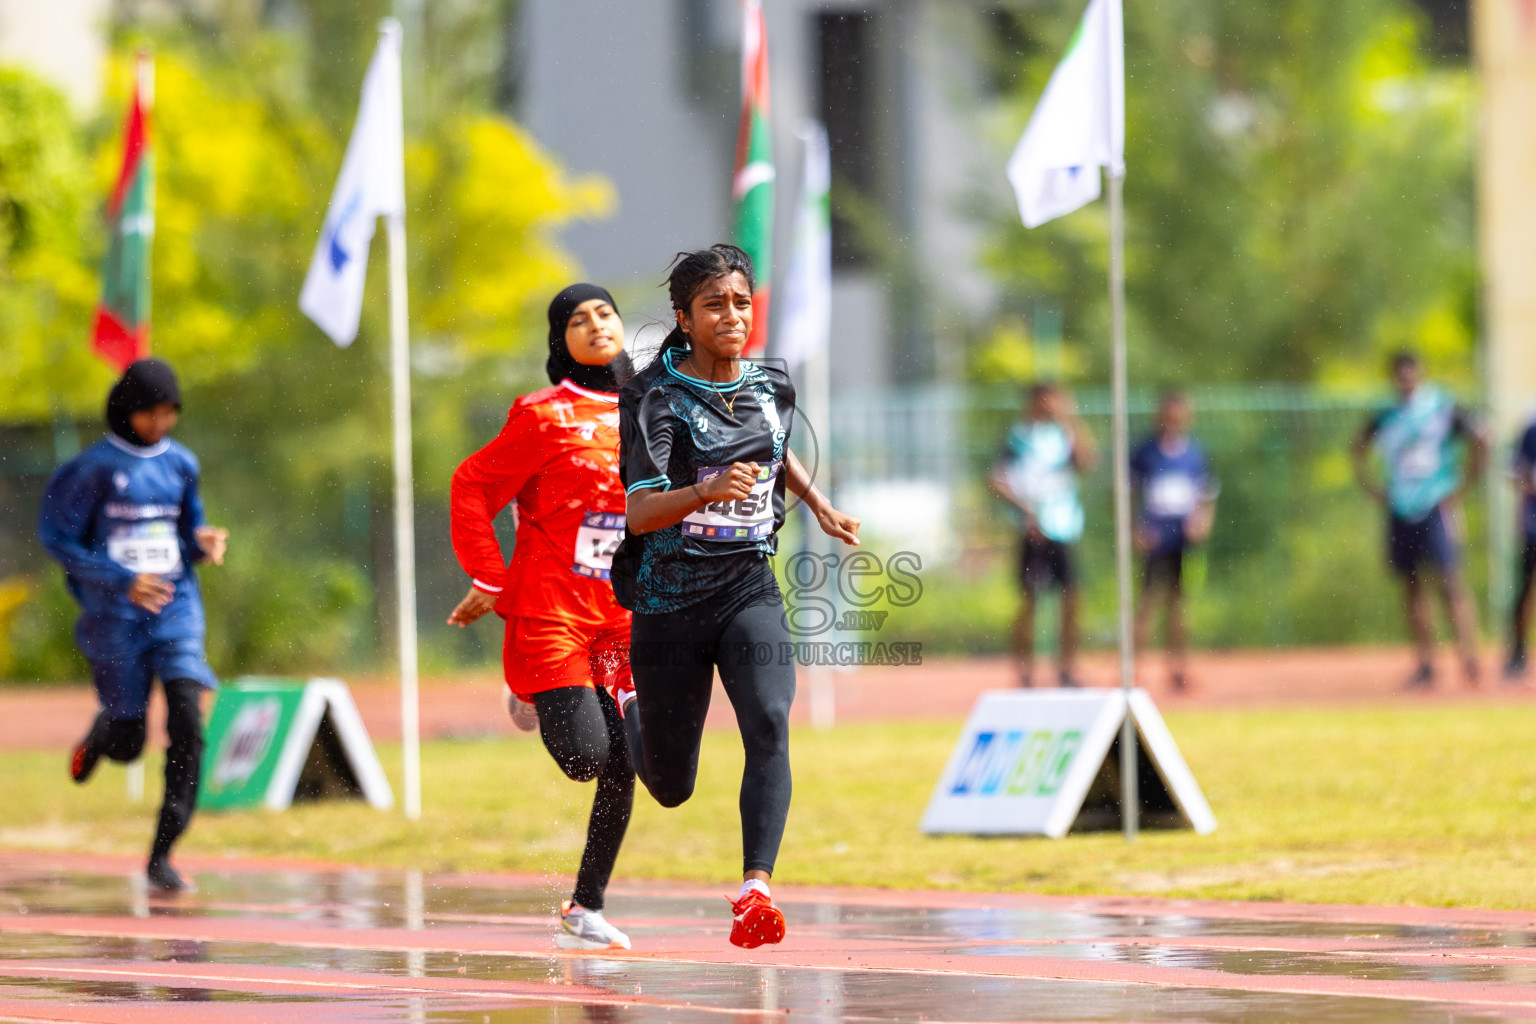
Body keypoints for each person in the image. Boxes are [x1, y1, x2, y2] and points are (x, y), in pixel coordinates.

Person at [613, 244, 860, 949]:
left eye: (741, 302)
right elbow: (640, 513)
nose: (732, 316)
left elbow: (777, 453)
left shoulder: (769, 384)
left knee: (771, 721)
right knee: (670, 785)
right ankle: (629, 702)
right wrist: (703, 490)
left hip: (748, 586)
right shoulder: (656, 399)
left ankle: (756, 888)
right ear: (685, 319)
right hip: (668, 603)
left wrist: (818, 504)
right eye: (715, 305)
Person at [447, 283, 638, 951]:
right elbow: (472, 484)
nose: (594, 324)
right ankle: (533, 685)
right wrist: (488, 576)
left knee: (630, 757)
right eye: (577, 320)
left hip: (624, 617)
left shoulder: (658, 411)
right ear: (562, 341)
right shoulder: (543, 416)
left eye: (604, 313)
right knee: (589, 758)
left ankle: (585, 906)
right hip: (553, 611)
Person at [38, 359, 229, 893]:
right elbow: (59, 540)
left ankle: (162, 854)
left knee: (189, 721)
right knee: (128, 742)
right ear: (127, 409)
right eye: (151, 413)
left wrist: (203, 544)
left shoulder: (181, 463)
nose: (160, 423)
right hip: (115, 618)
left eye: (169, 413)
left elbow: (186, 531)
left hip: (176, 609)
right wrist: (122, 580)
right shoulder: (91, 470)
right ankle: (103, 735)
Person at [1352, 352, 1486, 689]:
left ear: (1421, 374)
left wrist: (1464, 486)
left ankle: (1469, 658)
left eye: (1411, 375)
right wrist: (1373, 488)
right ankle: (1426, 663)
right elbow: (1357, 446)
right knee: (1411, 586)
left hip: (1435, 504)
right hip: (1401, 507)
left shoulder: (1442, 406)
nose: (1406, 381)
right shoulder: (1387, 414)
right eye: (1400, 376)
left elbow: (1482, 439)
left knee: (1450, 581)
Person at [989, 382, 1097, 688]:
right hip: (1032, 531)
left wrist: (1072, 420)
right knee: (1029, 600)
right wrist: (1025, 510)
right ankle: (1024, 671)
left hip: (1063, 527)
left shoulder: (1064, 436)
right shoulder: (1017, 437)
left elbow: (1087, 461)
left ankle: (1066, 668)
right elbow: (996, 480)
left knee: (1072, 598)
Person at [1130, 391, 1217, 692]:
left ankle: (1177, 667)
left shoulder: (1195, 452)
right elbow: (1128, 493)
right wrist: (1135, 527)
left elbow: (1206, 493)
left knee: (1179, 603)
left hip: (1183, 536)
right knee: (1147, 601)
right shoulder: (1145, 451)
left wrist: (1202, 521)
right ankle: (1135, 669)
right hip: (1155, 535)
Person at [1504, 412, 1536, 682]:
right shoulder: (1531, 429)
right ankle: (1517, 652)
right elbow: (1517, 474)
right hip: (1534, 524)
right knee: (1525, 588)